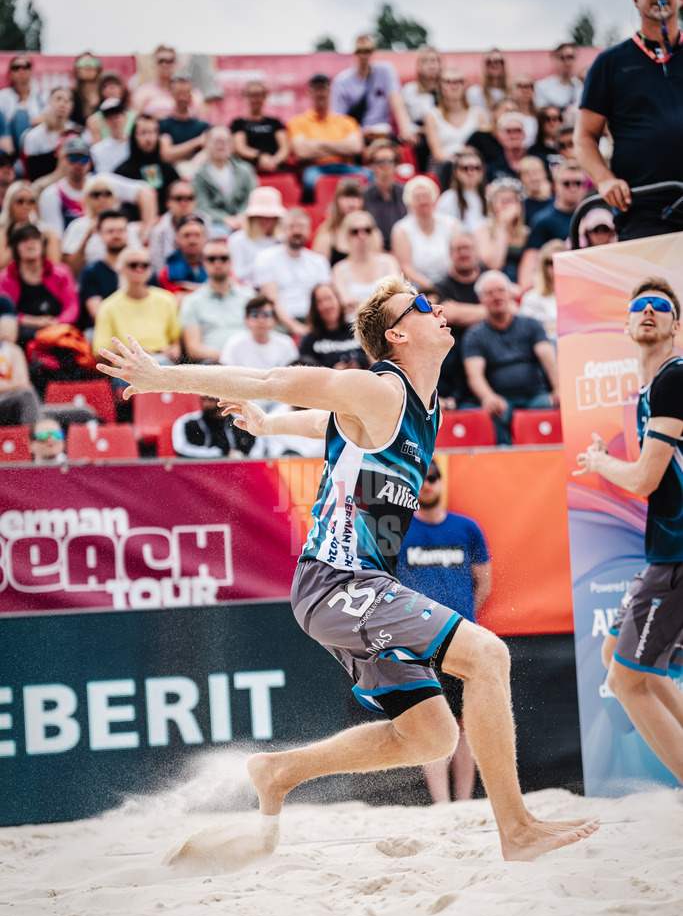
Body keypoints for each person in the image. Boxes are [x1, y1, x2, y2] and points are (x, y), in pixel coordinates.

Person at [96, 277, 599, 861]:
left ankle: (280, 771)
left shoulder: (417, 409)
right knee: (488, 656)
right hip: (339, 583)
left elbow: (323, 426)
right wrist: (163, 377)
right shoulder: (379, 388)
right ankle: (517, 831)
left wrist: (267, 426)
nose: (438, 309)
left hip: (354, 589)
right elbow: (272, 379)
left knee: (432, 734)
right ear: (397, 333)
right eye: (421, 306)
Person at [575, 277, 683, 783]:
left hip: (676, 555)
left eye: (660, 307)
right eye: (638, 306)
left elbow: (644, 478)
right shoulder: (651, 389)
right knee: (616, 655)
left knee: (626, 679)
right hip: (664, 552)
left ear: (675, 325)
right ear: (625, 323)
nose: (648, 312)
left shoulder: (673, 378)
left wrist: (600, 461)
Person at [396, 459, 491, 802]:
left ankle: (463, 804)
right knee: (433, 725)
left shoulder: (467, 528)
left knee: (466, 725)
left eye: (432, 478)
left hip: (461, 639)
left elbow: (483, 582)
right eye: (421, 480)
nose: (427, 486)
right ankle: (442, 806)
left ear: (441, 481)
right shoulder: (401, 530)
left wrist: (462, 619)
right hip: (418, 644)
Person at [575, 0, 683, 240]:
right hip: (644, 207)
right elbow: (584, 136)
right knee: (653, 279)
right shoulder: (610, 63)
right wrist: (604, 181)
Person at [462, 269, 559, 444]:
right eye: (489, 293)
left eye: (500, 291)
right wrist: (488, 397)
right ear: (481, 300)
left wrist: (558, 388)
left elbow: (549, 359)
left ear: (510, 294)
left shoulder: (531, 325)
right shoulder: (474, 336)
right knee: (489, 412)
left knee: (550, 406)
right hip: (502, 400)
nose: (496, 297)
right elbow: (474, 376)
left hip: (535, 395)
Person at [39, 135, 157, 241]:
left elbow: (145, 191)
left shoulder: (103, 182)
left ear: (90, 162)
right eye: (73, 158)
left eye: (84, 158)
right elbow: (55, 239)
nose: (78, 164)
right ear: (62, 159)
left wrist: (146, 232)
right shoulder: (52, 194)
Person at [253, 209, 331, 339]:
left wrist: (314, 327)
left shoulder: (319, 261)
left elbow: (325, 298)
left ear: (309, 230)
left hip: (314, 320)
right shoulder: (266, 258)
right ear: (282, 230)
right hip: (279, 321)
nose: (297, 231)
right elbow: (272, 300)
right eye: (291, 227)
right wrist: (296, 327)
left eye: (301, 227)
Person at [93, 246, 180, 361]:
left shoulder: (166, 299)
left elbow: (176, 340)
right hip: (127, 364)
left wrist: (174, 350)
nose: (139, 269)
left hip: (161, 360)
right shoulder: (108, 306)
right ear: (120, 268)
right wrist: (130, 351)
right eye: (133, 265)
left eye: (145, 265)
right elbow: (99, 351)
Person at [0, 224, 79, 348]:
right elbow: (6, 312)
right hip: (22, 332)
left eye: (35, 239)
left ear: (42, 245)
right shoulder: (5, 278)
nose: (30, 244)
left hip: (57, 330)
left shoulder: (61, 272)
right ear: (15, 248)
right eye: (24, 240)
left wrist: (57, 322)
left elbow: (72, 306)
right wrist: (34, 321)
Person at [287, 74, 364, 199]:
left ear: (329, 91)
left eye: (323, 88)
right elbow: (302, 152)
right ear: (309, 92)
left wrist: (318, 145)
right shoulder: (297, 122)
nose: (320, 93)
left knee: (369, 176)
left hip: (345, 168)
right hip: (315, 169)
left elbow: (355, 148)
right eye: (316, 89)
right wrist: (341, 148)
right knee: (310, 181)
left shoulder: (347, 121)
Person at [434, 232, 487, 409]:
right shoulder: (442, 286)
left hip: (490, 350)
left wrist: (460, 310)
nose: (463, 253)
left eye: (467, 248)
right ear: (450, 255)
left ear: (475, 251)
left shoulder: (488, 278)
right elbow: (448, 314)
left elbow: (511, 309)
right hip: (455, 357)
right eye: (458, 249)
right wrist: (490, 311)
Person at [179, 238, 255, 361]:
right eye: (212, 259)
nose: (218, 263)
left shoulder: (249, 297)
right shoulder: (192, 302)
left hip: (247, 363)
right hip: (211, 366)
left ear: (230, 261)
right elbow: (193, 349)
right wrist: (228, 358)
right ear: (204, 262)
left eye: (223, 258)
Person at [330, 34, 414, 144]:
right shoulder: (342, 81)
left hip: (382, 133)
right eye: (360, 51)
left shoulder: (385, 71)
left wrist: (405, 131)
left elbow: (396, 101)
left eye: (367, 51)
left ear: (372, 52)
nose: (364, 56)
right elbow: (338, 118)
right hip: (354, 135)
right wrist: (358, 132)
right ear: (354, 53)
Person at [517, 161, 588, 291]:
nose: (573, 188)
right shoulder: (543, 220)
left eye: (578, 183)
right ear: (555, 186)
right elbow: (530, 260)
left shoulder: (594, 216)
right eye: (566, 183)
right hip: (556, 286)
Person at [219, 295, 299, 407]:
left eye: (266, 314)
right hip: (245, 402)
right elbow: (226, 381)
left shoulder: (286, 343)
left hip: (279, 403)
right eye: (255, 315)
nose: (261, 320)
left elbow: (293, 380)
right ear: (246, 320)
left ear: (274, 319)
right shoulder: (234, 344)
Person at [61, 174, 141, 276]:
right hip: (89, 282)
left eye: (108, 193)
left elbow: (139, 261)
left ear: (115, 198)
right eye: (96, 194)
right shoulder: (77, 226)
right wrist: (87, 236)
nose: (102, 198)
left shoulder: (126, 226)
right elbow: (71, 270)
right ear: (86, 199)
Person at [391, 175, 459, 289]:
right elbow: (405, 267)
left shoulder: (451, 224)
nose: (423, 201)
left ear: (434, 198)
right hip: (416, 286)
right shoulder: (401, 229)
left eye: (426, 196)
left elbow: (457, 258)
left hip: (450, 283)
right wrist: (431, 286)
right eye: (417, 197)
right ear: (409, 202)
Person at [331, 210, 400, 319]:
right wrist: (380, 300)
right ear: (347, 235)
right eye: (355, 231)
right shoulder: (339, 269)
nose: (361, 235)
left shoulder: (389, 262)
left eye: (367, 230)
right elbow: (345, 303)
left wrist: (357, 302)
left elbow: (395, 297)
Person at [192, 126, 257, 232]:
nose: (221, 145)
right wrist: (224, 219)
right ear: (206, 144)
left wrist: (242, 216)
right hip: (215, 224)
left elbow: (252, 197)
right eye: (216, 141)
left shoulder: (246, 170)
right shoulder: (199, 175)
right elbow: (202, 206)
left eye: (226, 141)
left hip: (245, 220)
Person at [115, 114, 180, 215]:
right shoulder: (122, 172)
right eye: (143, 133)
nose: (148, 138)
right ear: (134, 136)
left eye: (152, 132)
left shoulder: (169, 170)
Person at [79, 210, 134, 328]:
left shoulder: (141, 266)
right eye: (110, 231)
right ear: (100, 234)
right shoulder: (91, 272)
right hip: (105, 331)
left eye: (120, 231)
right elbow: (98, 314)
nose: (116, 235)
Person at [423, 69, 486, 171]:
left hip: (473, 166)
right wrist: (460, 163)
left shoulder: (478, 114)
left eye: (459, 81)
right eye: (448, 82)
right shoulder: (432, 116)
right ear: (441, 86)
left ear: (465, 85)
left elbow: (482, 149)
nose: (454, 86)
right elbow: (437, 154)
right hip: (444, 167)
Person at [298, 282, 368, 368]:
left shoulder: (358, 330)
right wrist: (333, 372)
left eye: (329, 299)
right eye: (319, 301)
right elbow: (304, 373)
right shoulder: (309, 339)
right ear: (314, 307)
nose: (326, 305)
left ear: (338, 300)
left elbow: (375, 362)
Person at [148, 180, 209, 275]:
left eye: (189, 198)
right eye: (178, 198)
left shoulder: (206, 222)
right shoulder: (159, 230)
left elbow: (211, 255)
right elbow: (157, 265)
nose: (184, 203)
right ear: (168, 203)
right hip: (170, 280)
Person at [474, 177, 528, 284]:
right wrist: (502, 225)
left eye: (510, 200)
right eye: (502, 201)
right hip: (494, 284)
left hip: (521, 284)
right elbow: (494, 264)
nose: (506, 205)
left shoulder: (526, 232)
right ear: (493, 204)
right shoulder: (483, 230)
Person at [228, 185, 285, 286]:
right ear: (252, 218)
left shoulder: (282, 241)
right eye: (260, 217)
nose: (266, 221)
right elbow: (237, 274)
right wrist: (264, 260)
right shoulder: (237, 240)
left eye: (271, 217)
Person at [230, 80, 289, 174]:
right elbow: (240, 148)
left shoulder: (275, 122)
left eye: (260, 95)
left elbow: (284, 148)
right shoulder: (238, 124)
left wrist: (273, 161)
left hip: (276, 168)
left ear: (265, 97)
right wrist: (260, 156)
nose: (256, 99)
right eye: (252, 95)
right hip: (249, 170)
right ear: (245, 97)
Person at [132, 45, 205, 120]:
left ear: (176, 65)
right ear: (154, 65)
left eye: (169, 61)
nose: (165, 65)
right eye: (161, 61)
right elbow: (136, 119)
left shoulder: (193, 93)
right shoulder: (143, 92)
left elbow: (199, 120)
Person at [0, 181, 61, 269]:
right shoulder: (3, 234)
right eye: (20, 201)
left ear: (36, 206)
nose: (26, 206)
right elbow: (1, 267)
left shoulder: (48, 234)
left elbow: (54, 266)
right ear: (10, 205)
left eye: (31, 201)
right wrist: (18, 236)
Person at [172, 394, 254, 459]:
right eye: (203, 399)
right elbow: (181, 449)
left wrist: (242, 458)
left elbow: (258, 453)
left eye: (211, 399)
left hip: (241, 474)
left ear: (225, 400)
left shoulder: (242, 423)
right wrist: (221, 454)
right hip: (198, 475)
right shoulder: (186, 423)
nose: (206, 404)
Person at [22, 87, 76, 182]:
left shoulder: (77, 133)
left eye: (67, 101)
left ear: (71, 106)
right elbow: (31, 171)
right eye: (58, 99)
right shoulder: (33, 136)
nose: (62, 104)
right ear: (49, 102)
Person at [363, 139, 407, 251]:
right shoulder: (363, 196)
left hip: (405, 250)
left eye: (389, 161)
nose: (385, 166)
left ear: (396, 164)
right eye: (379, 162)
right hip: (374, 252)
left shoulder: (406, 192)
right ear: (372, 165)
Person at [158, 73, 211, 167]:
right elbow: (167, 154)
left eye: (187, 93)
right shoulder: (163, 125)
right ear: (172, 94)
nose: (183, 98)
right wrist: (197, 141)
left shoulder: (203, 126)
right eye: (179, 93)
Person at [402, 46, 441, 171]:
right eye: (426, 61)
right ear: (418, 66)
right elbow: (406, 119)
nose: (431, 65)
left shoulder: (447, 89)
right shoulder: (410, 90)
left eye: (434, 61)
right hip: (420, 135)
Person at [519, 238, 565, 343]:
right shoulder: (532, 297)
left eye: (561, 261)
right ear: (543, 265)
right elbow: (525, 330)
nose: (556, 266)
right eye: (551, 262)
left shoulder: (577, 294)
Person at [311, 180, 367, 263]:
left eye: (356, 197)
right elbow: (319, 268)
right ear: (337, 201)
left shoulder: (370, 230)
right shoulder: (327, 232)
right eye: (346, 197)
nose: (351, 203)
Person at [0, 55, 46, 153]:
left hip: (35, 143)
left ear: (31, 71)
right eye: (16, 68)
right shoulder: (3, 96)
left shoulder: (41, 96)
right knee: (20, 116)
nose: (21, 70)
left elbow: (50, 118)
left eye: (26, 67)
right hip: (8, 143)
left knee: (21, 116)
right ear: (10, 74)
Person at [436, 148, 488, 232]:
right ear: (456, 171)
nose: (471, 172)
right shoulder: (448, 199)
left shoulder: (488, 198)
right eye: (465, 168)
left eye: (477, 168)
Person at [159, 213, 208, 298]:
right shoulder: (166, 272)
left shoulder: (218, 261)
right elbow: (173, 298)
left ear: (205, 237)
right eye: (187, 235)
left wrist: (188, 289)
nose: (192, 241)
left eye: (197, 235)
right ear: (177, 239)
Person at [0, 335, 41, 426]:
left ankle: (36, 434)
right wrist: (16, 385)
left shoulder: (11, 350)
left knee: (72, 413)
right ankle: (34, 437)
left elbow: (23, 382)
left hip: (9, 399)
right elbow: (22, 384)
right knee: (27, 395)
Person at [86, 71, 136, 144]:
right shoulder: (93, 120)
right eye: (105, 86)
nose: (111, 88)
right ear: (100, 91)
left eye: (116, 84)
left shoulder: (134, 117)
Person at [534, 43, 583, 112]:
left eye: (570, 57)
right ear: (554, 59)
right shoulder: (542, 87)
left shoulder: (580, 86)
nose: (567, 61)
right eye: (562, 57)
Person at [466, 49, 510, 119]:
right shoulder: (473, 93)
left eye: (499, 61)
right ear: (484, 65)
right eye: (489, 62)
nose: (494, 65)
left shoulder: (512, 91)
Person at [485, 112, 528, 183]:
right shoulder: (492, 167)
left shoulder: (538, 161)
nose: (514, 136)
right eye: (509, 131)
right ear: (499, 137)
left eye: (518, 130)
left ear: (524, 134)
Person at [90, 99, 130, 174]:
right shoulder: (97, 150)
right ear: (105, 121)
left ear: (125, 117)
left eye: (117, 116)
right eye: (110, 117)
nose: (114, 120)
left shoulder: (135, 145)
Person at [517, 155, 553, 226]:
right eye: (527, 174)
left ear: (545, 174)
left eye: (536, 172)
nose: (533, 178)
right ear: (521, 179)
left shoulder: (557, 203)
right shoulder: (520, 207)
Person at [70, 52, 102, 128]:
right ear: (77, 69)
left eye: (92, 63)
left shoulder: (106, 94)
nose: (87, 66)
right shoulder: (70, 96)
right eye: (83, 63)